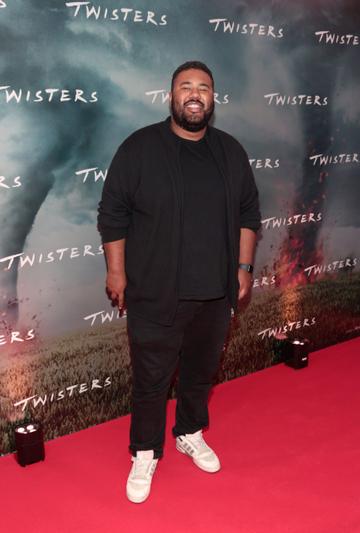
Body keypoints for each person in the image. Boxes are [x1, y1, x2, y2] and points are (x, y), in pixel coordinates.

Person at [97, 61, 261, 503]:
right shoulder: (140, 148)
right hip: (155, 292)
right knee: (152, 379)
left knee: (199, 374)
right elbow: (112, 213)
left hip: (215, 293)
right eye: (185, 87)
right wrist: (116, 272)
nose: (194, 94)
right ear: (170, 96)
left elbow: (248, 213)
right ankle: (146, 451)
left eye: (203, 88)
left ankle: (189, 431)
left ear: (212, 98)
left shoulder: (230, 151)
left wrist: (244, 269)